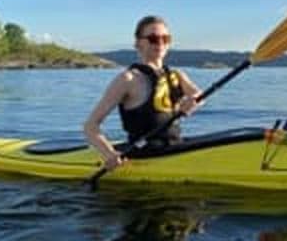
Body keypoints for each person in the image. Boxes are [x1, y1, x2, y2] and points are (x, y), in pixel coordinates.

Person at [84, 15, 202, 170]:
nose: (160, 43)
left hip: (175, 147)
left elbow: (199, 95)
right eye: (153, 38)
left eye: (165, 38)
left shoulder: (177, 75)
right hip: (143, 154)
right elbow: (90, 125)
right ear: (139, 43)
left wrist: (192, 101)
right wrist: (109, 153)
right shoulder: (128, 79)